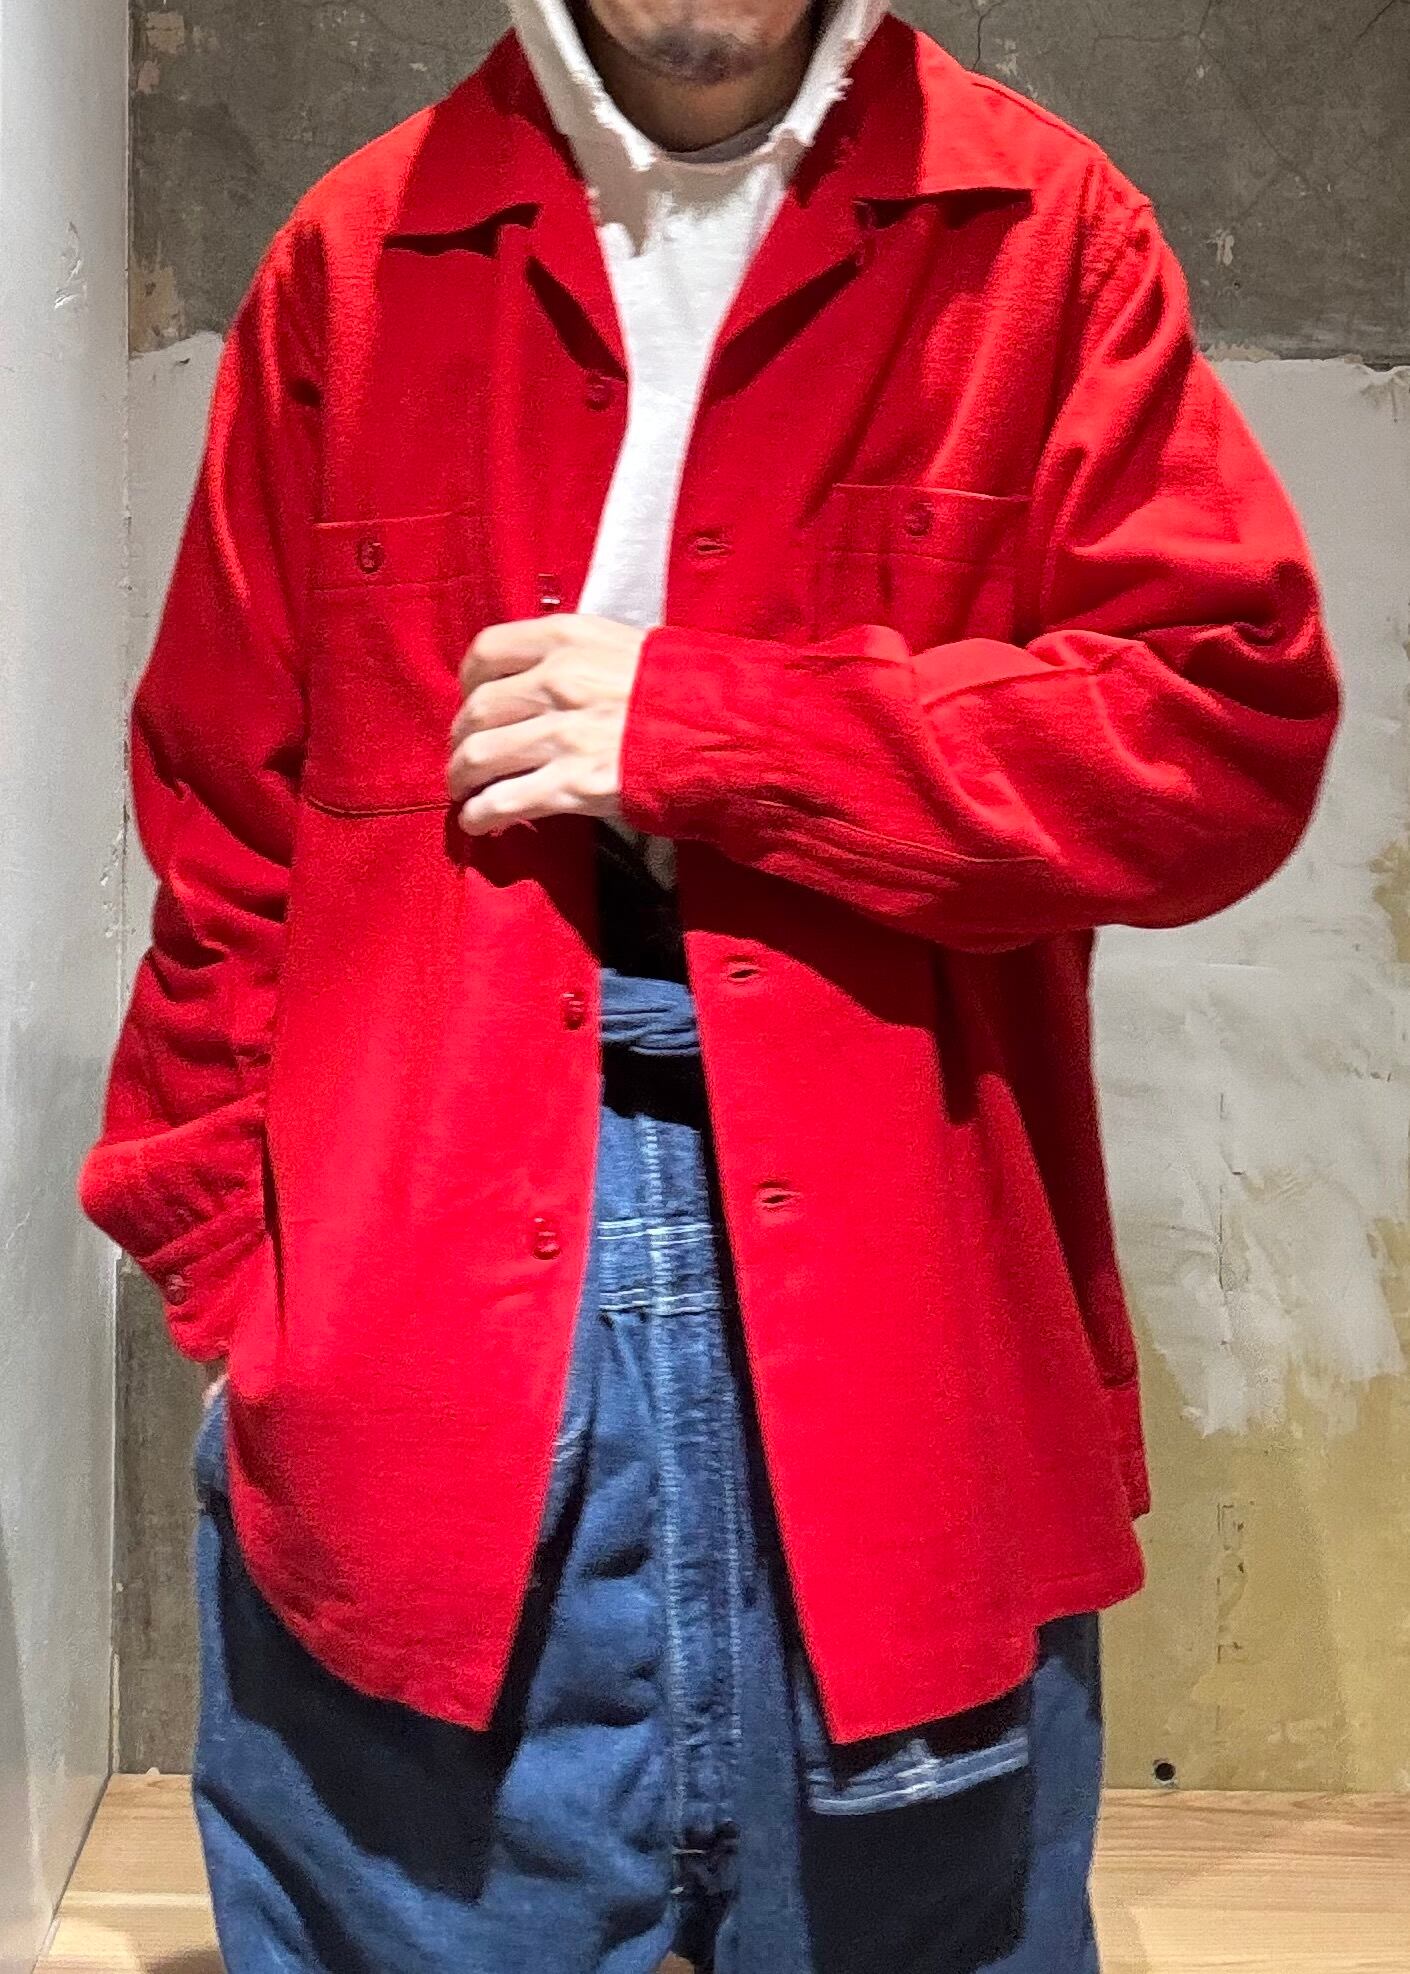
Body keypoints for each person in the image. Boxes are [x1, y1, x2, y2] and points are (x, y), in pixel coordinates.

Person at [78, 0, 1340, 1966]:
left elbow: (1220, 734)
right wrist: (239, 1283)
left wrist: (714, 730)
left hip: (899, 1305)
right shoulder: (359, 254)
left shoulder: (1039, 236)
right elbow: (226, 818)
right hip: (414, 1313)